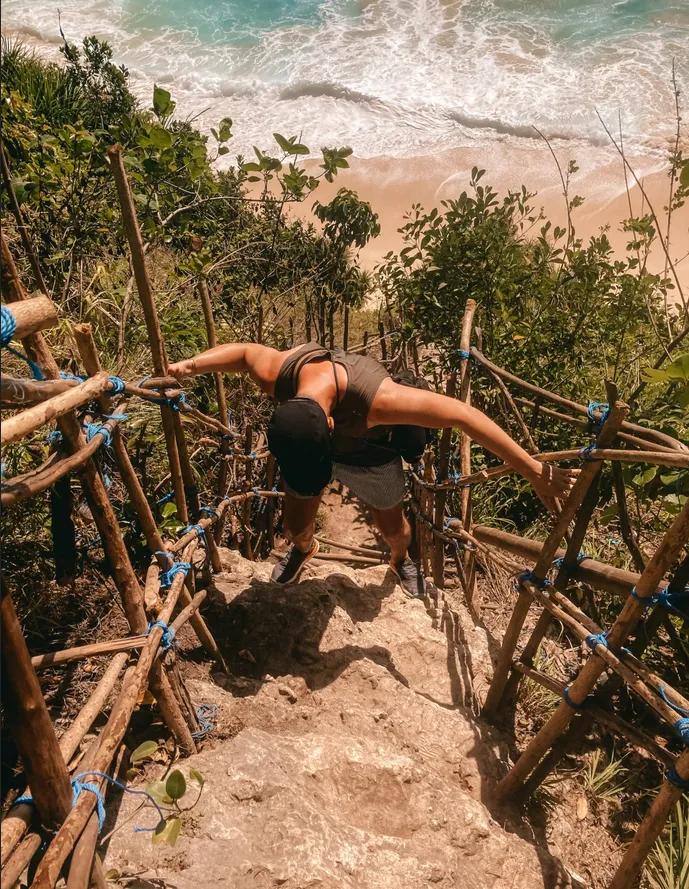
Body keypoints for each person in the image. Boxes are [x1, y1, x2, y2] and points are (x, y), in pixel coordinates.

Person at [168, 342, 578, 596]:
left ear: (331, 424)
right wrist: (189, 365)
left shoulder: (378, 400)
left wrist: (532, 470)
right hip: (310, 452)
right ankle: (303, 548)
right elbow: (243, 353)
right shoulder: (280, 376)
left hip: (371, 457)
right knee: (295, 526)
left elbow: (463, 416)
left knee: (394, 530)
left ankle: (401, 560)